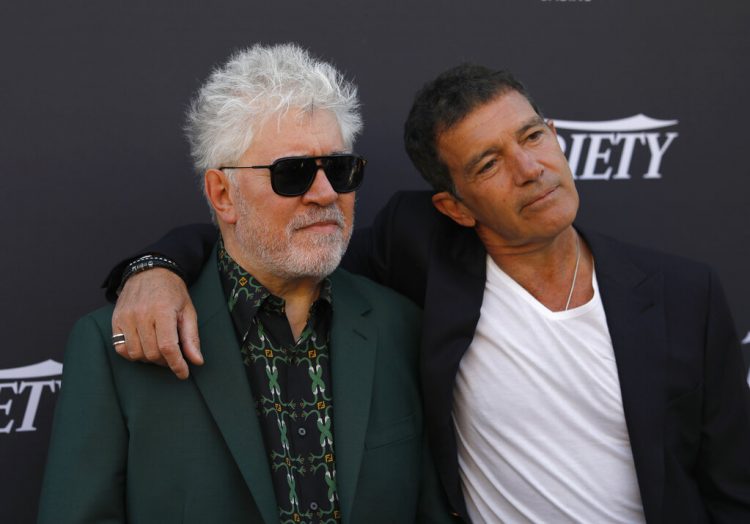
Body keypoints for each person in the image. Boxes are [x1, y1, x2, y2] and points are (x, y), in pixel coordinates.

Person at [103, 64, 750, 523]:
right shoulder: (419, 254)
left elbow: (730, 489)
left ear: (554, 133)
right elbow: (271, 234)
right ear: (455, 206)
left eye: (532, 136)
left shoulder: (681, 294)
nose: (531, 170)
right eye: (489, 164)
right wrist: (157, 265)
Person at [38, 44, 451, 524]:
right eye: (292, 173)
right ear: (222, 194)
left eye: (339, 169)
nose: (324, 194)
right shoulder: (119, 347)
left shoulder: (400, 327)